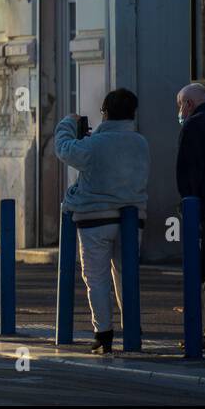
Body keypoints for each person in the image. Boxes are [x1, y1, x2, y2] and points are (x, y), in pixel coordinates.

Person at [54, 88, 149, 354]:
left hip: (95, 219)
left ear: (105, 113)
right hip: (132, 219)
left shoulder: (93, 145)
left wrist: (68, 123)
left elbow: (63, 149)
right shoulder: (141, 143)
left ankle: (103, 335)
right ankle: (132, 326)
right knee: (125, 275)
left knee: (96, 278)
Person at [175, 82, 205, 350]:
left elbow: (187, 171)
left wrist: (188, 205)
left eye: (180, 105)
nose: (180, 111)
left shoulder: (192, 126)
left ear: (189, 104)